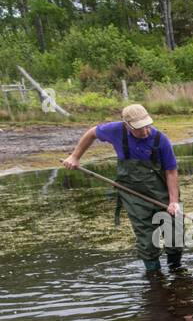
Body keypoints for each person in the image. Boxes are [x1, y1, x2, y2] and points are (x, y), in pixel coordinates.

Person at [62, 104, 182, 275]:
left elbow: (171, 172)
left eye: (147, 125)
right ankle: (155, 279)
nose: (145, 131)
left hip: (162, 192)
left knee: (174, 237)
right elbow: (92, 133)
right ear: (127, 125)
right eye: (139, 128)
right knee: (147, 242)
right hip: (134, 195)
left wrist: (173, 201)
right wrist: (75, 156)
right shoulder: (115, 131)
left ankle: (176, 271)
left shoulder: (160, 140)